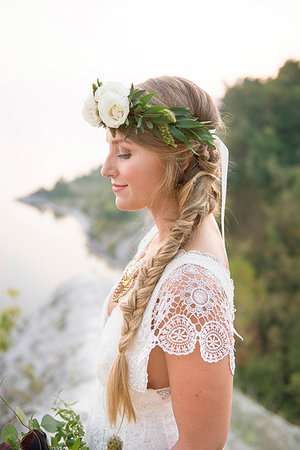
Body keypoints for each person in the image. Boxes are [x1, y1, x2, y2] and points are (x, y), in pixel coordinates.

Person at [81, 76, 243, 449]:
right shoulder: (159, 240)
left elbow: (201, 445)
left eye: (124, 153)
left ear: (181, 156)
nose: (107, 169)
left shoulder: (192, 289)